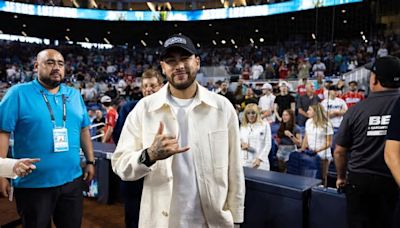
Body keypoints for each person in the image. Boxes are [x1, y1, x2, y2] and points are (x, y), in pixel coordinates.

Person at [111, 34, 245, 228]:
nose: (179, 65)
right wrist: (149, 155)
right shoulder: (144, 109)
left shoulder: (222, 108)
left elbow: (235, 168)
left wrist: (237, 217)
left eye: (185, 58)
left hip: (212, 221)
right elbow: (120, 163)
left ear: (197, 62)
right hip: (161, 221)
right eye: (171, 61)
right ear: (163, 68)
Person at [0, 49, 95, 227]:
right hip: (34, 184)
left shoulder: (74, 95)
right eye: (50, 62)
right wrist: (2, 173)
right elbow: (3, 132)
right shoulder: (18, 93)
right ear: (37, 66)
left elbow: (84, 129)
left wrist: (90, 161)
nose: (56, 67)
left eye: (60, 63)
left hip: (72, 180)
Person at [334, 55, 400, 228]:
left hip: (360, 182)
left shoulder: (356, 110)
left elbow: (339, 151)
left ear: (375, 80)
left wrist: (341, 177)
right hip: (393, 182)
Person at [112, 68, 164, 228]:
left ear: (161, 86)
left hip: (159, 176)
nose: (149, 89)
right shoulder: (129, 108)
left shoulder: (167, 109)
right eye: (145, 86)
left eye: (153, 86)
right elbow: (118, 138)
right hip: (135, 175)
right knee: (133, 218)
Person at [300, 104, 333, 186]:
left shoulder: (327, 124)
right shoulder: (308, 122)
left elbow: (329, 143)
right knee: (310, 176)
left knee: (323, 176)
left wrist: (317, 150)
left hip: (323, 154)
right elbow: (306, 138)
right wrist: (302, 149)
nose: (307, 112)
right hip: (311, 153)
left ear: (316, 112)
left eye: (309, 110)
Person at [240, 104, 271, 171]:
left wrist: (260, 159)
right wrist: (241, 144)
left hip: (260, 163)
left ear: (257, 113)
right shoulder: (243, 126)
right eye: (248, 113)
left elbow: (268, 144)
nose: (251, 115)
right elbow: (239, 140)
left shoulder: (264, 125)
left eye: (253, 113)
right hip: (245, 162)